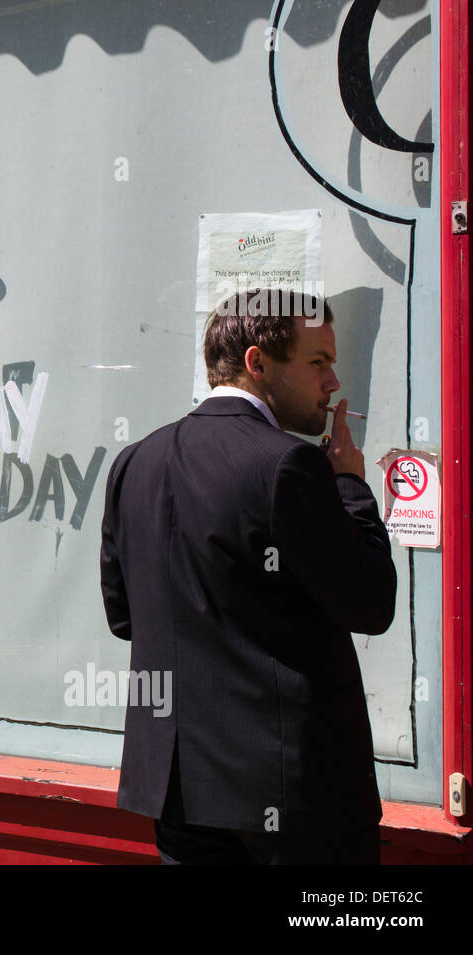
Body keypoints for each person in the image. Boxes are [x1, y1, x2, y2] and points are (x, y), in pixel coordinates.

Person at [99, 289, 397, 864]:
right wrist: (352, 487)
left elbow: (124, 617)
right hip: (291, 796)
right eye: (318, 363)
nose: (332, 382)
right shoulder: (289, 463)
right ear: (258, 363)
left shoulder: (133, 463)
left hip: (179, 792)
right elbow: (372, 603)